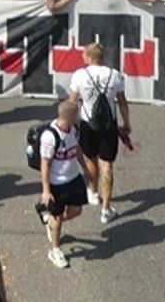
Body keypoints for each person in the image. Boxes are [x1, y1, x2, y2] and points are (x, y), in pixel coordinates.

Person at [67, 42, 129, 223]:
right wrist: (126, 123)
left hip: (88, 124)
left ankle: (93, 191)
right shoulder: (114, 75)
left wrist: (70, 124)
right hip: (108, 126)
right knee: (107, 166)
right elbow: (122, 102)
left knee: (90, 158)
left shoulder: (80, 75)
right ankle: (106, 208)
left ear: (89, 57)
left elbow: (72, 102)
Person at [37, 98, 87, 269]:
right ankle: (55, 249)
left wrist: (86, 170)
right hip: (57, 183)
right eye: (78, 113)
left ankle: (50, 223)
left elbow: (77, 149)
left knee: (76, 211)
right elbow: (45, 163)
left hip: (73, 178)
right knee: (57, 219)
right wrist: (46, 190)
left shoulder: (74, 129)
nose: (80, 116)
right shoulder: (50, 136)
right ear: (70, 116)